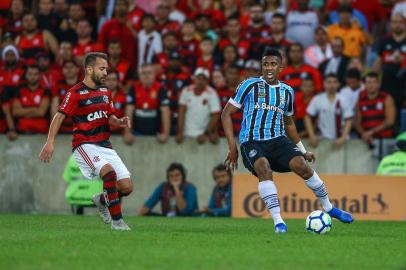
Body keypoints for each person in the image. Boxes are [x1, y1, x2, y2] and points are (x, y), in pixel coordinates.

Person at [221, 48, 353, 234]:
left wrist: (302, 150)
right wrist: (232, 146)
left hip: (278, 140)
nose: (268, 68)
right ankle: (279, 222)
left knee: (302, 166)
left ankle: (329, 208)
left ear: (281, 67)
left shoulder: (287, 91)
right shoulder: (249, 85)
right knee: (264, 168)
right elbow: (226, 114)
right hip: (252, 141)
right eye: (265, 64)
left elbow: (289, 123)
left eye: (273, 64)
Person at [38, 52, 133, 231]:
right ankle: (118, 222)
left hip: (105, 144)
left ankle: (101, 200)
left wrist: (119, 121)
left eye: (106, 69)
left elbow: (109, 116)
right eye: (102, 68)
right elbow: (59, 117)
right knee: (109, 173)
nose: (106, 73)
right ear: (89, 69)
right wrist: (50, 142)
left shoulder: (106, 92)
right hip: (84, 144)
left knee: (127, 187)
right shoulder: (75, 93)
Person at [304, 74, 353, 148]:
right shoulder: (317, 99)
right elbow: (307, 117)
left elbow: (349, 120)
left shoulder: (344, 99)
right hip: (323, 140)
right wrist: (312, 135)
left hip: (341, 140)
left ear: (338, 84)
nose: (332, 85)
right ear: (324, 84)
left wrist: (343, 138)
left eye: (334, 82)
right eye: (329, 82)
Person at [355, 72, 396, 145]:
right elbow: (357, 121)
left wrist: (372, 132)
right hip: (365, 139)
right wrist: (363, 134)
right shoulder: (360, 99)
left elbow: (390, 121)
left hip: (384, 138)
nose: (371, 85)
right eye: (368, 83)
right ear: (364, 85)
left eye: (374, 82)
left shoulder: (386, 98)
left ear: (378, 84)